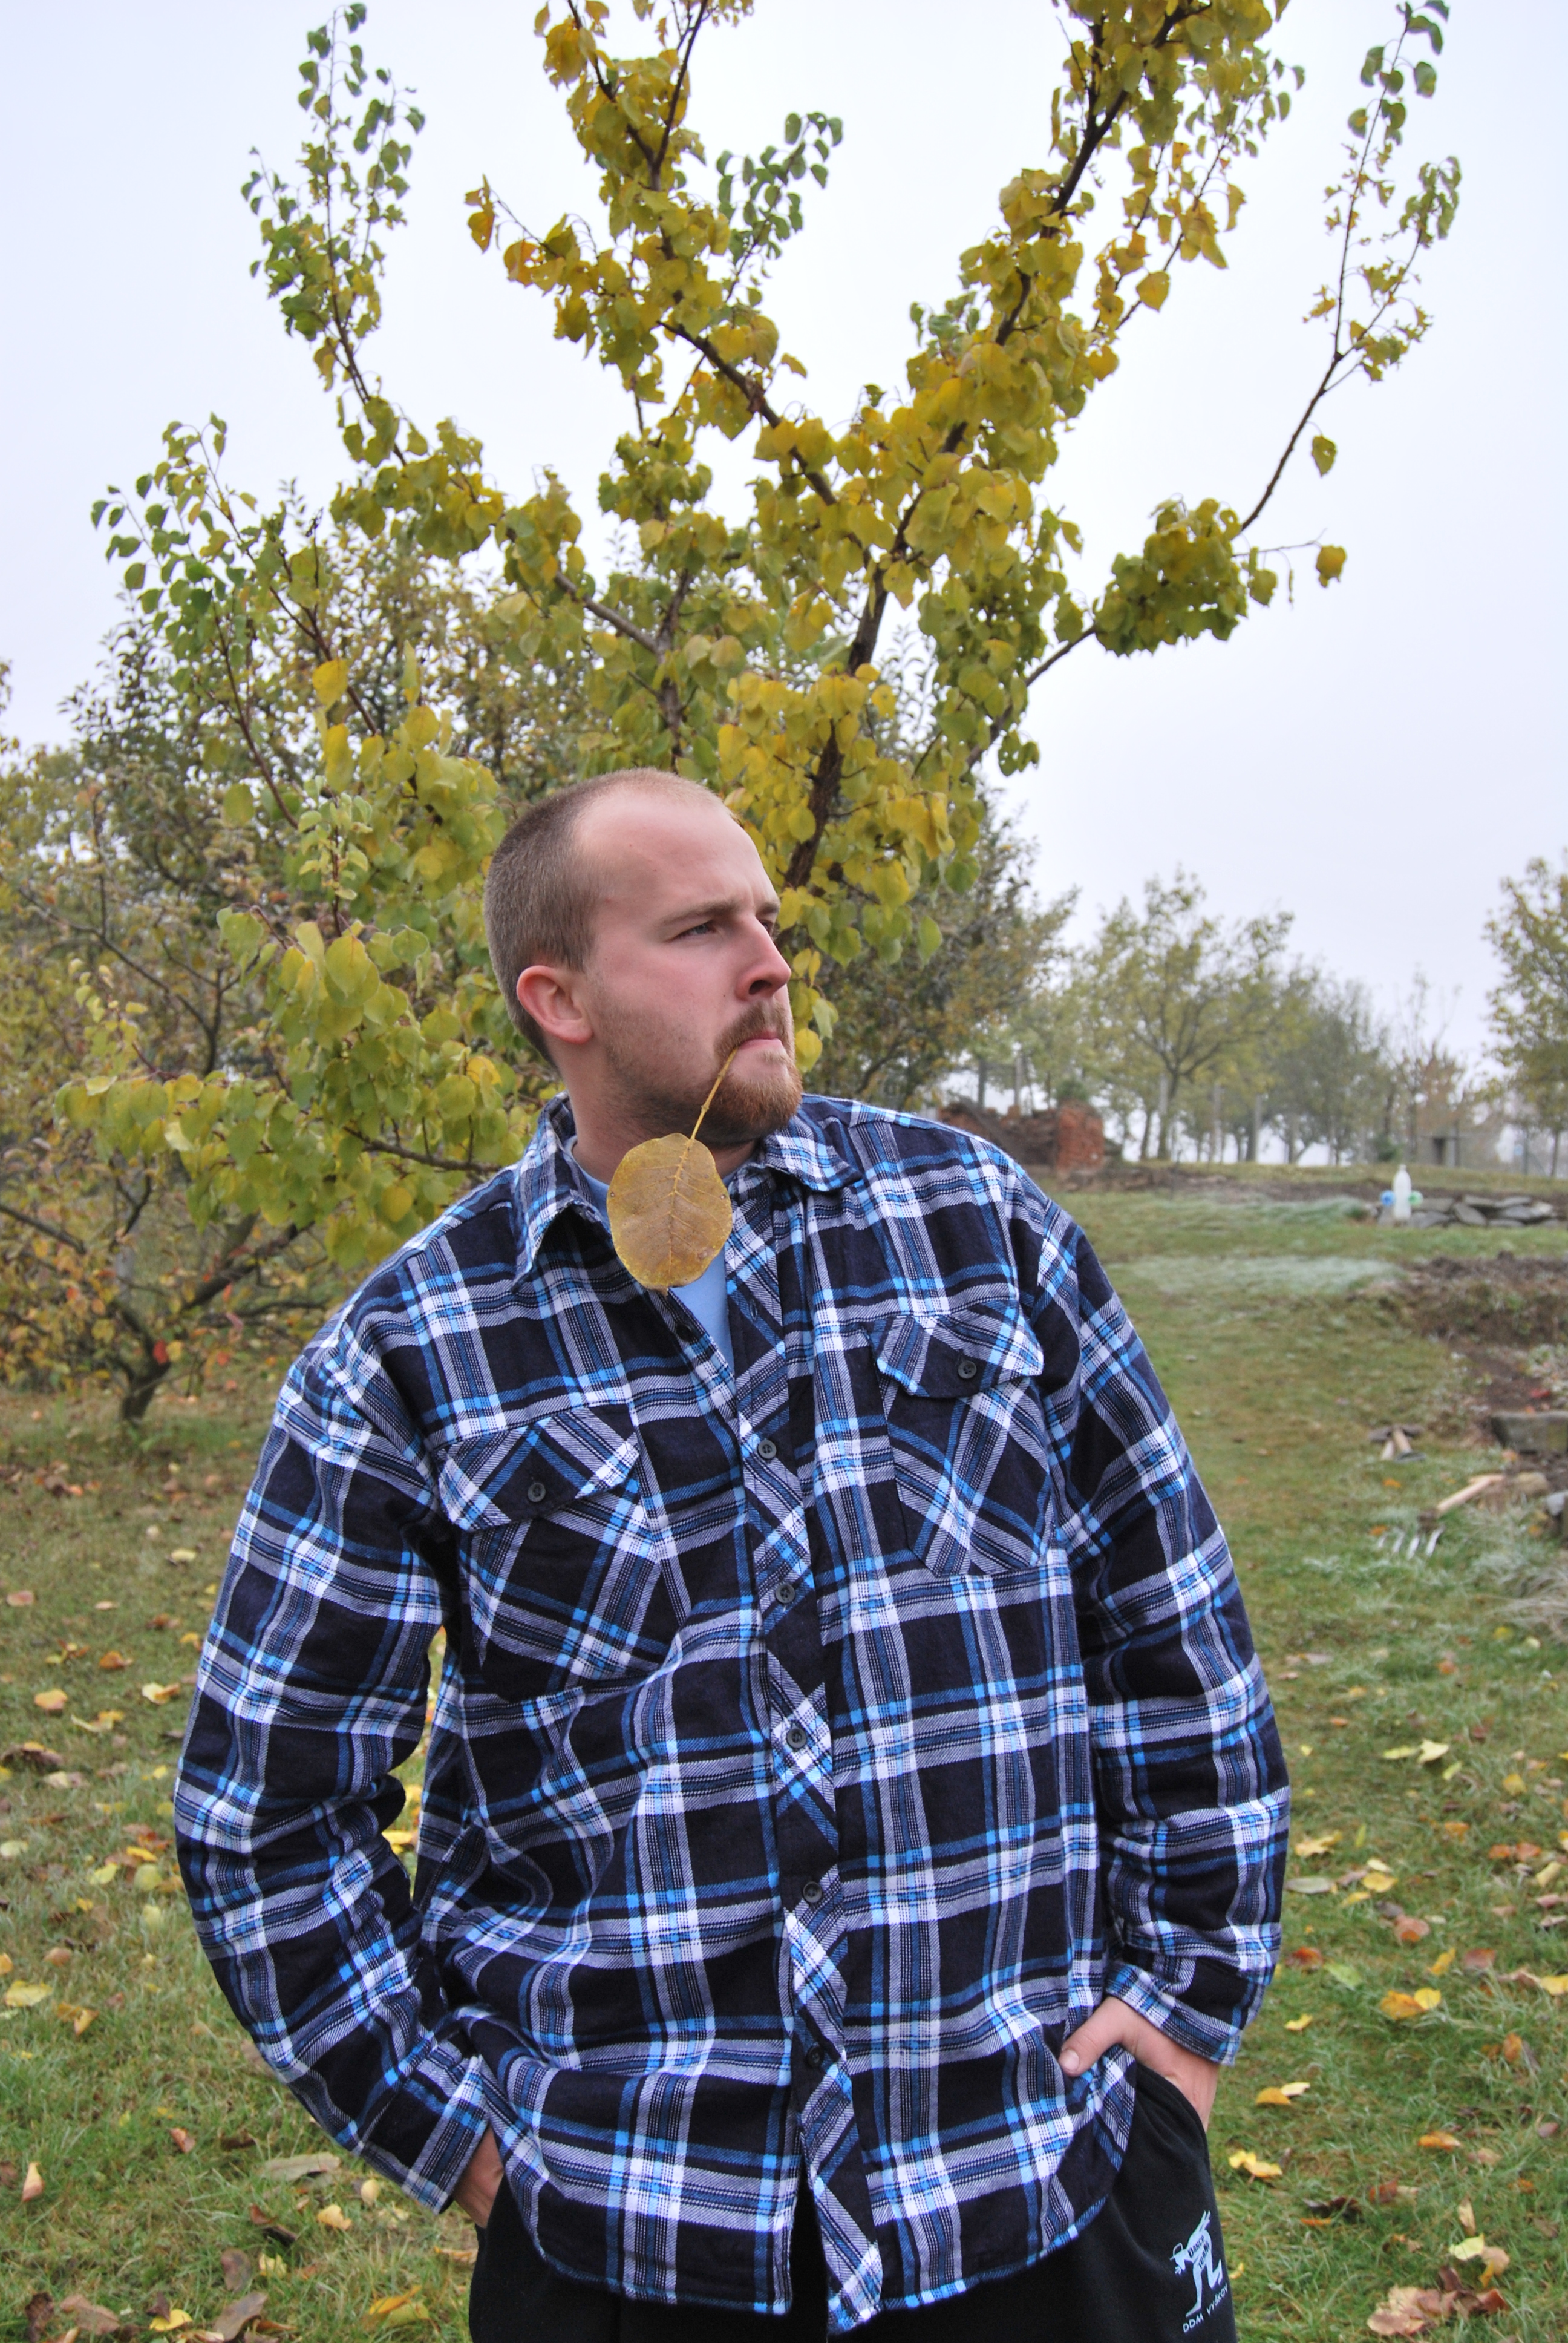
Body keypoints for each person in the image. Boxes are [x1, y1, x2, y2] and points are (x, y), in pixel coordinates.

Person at [175, 768, 1289, 2340]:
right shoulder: (411, 1349)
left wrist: (1181, 2015)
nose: (769, 963)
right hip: (636, 2245)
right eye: (702, 929)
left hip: (1043, 2182)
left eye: (766, 918)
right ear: (558, 998)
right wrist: (465, 2141)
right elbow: (265, 1808)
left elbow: (1179, 1635)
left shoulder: (978, 1230)